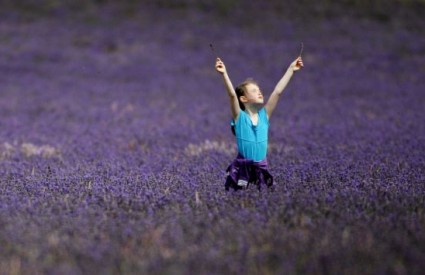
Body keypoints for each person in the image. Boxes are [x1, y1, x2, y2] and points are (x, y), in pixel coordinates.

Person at [215, 55, 303, 191]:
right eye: (254, 91)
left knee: (263, 197)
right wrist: (224, 73)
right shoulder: (239, 117)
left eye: (259, 90)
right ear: (243, 98)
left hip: (261, 167)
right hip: (243, 168)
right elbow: (232, 95)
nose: (260, 92)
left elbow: (277, 92)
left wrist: (291, 69)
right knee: (238, 198)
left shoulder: (264, 116)